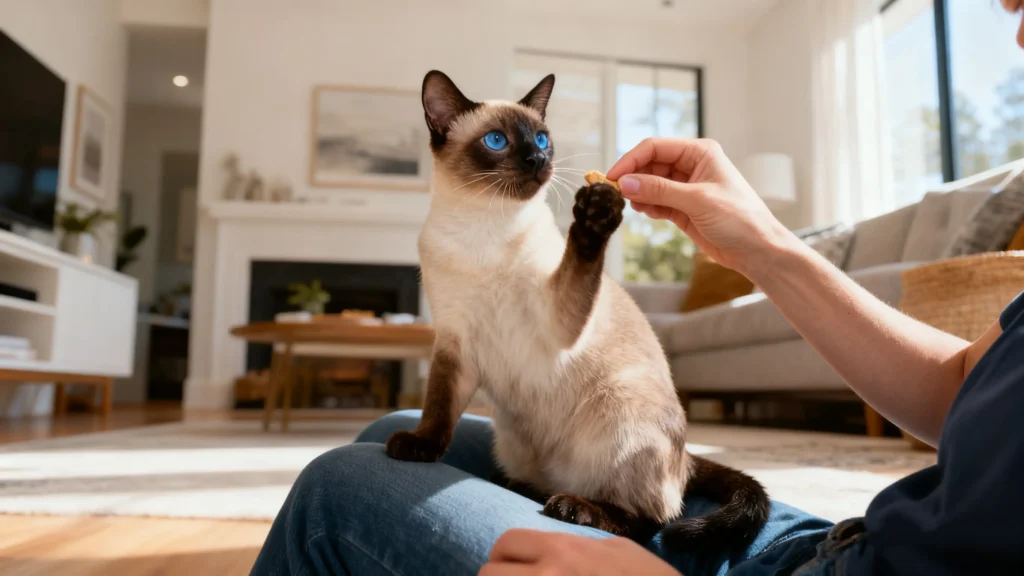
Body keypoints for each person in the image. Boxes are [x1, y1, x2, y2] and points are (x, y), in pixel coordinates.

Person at [251, 4, 1024, 574]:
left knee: (337, 488)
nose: (1013, 29)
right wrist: (759, 243)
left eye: (537, 140)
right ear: (440, 129)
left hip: (652, 488)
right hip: (840, 537)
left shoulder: (533, 234)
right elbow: (963, 383)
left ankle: (623, 518)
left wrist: (586, 244)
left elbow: (558, 332)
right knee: (395, 432)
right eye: (497, 139)